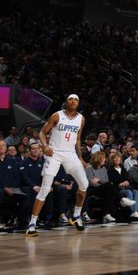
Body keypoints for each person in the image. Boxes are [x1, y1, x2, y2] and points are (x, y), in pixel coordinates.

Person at [25, 94, 90, 237]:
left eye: (76, 100)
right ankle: (32, 224)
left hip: (70, 154)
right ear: (66, 102)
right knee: (45, 189)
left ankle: (76, 216)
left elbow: (77, 139)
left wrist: (80, 158)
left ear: (78, 103)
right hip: (54, 153)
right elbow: (42, 133)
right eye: (71, 99)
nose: (73, 101)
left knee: (84, 184)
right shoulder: (57, 115)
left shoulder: (81, 119)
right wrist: (45, 146)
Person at [108, 152, 138, 221]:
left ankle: (135, 212)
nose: (118, 159)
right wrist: (119, 184)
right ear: (112, 160)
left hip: (127, 187)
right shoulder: (110, 171)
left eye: (119, 157)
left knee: (137, 191)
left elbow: (128, 179)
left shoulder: (124, 169)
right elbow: (110, 182)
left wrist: (127, 181)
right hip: (118, 189)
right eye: (115, 158)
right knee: (128, 192)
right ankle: (133, 212)